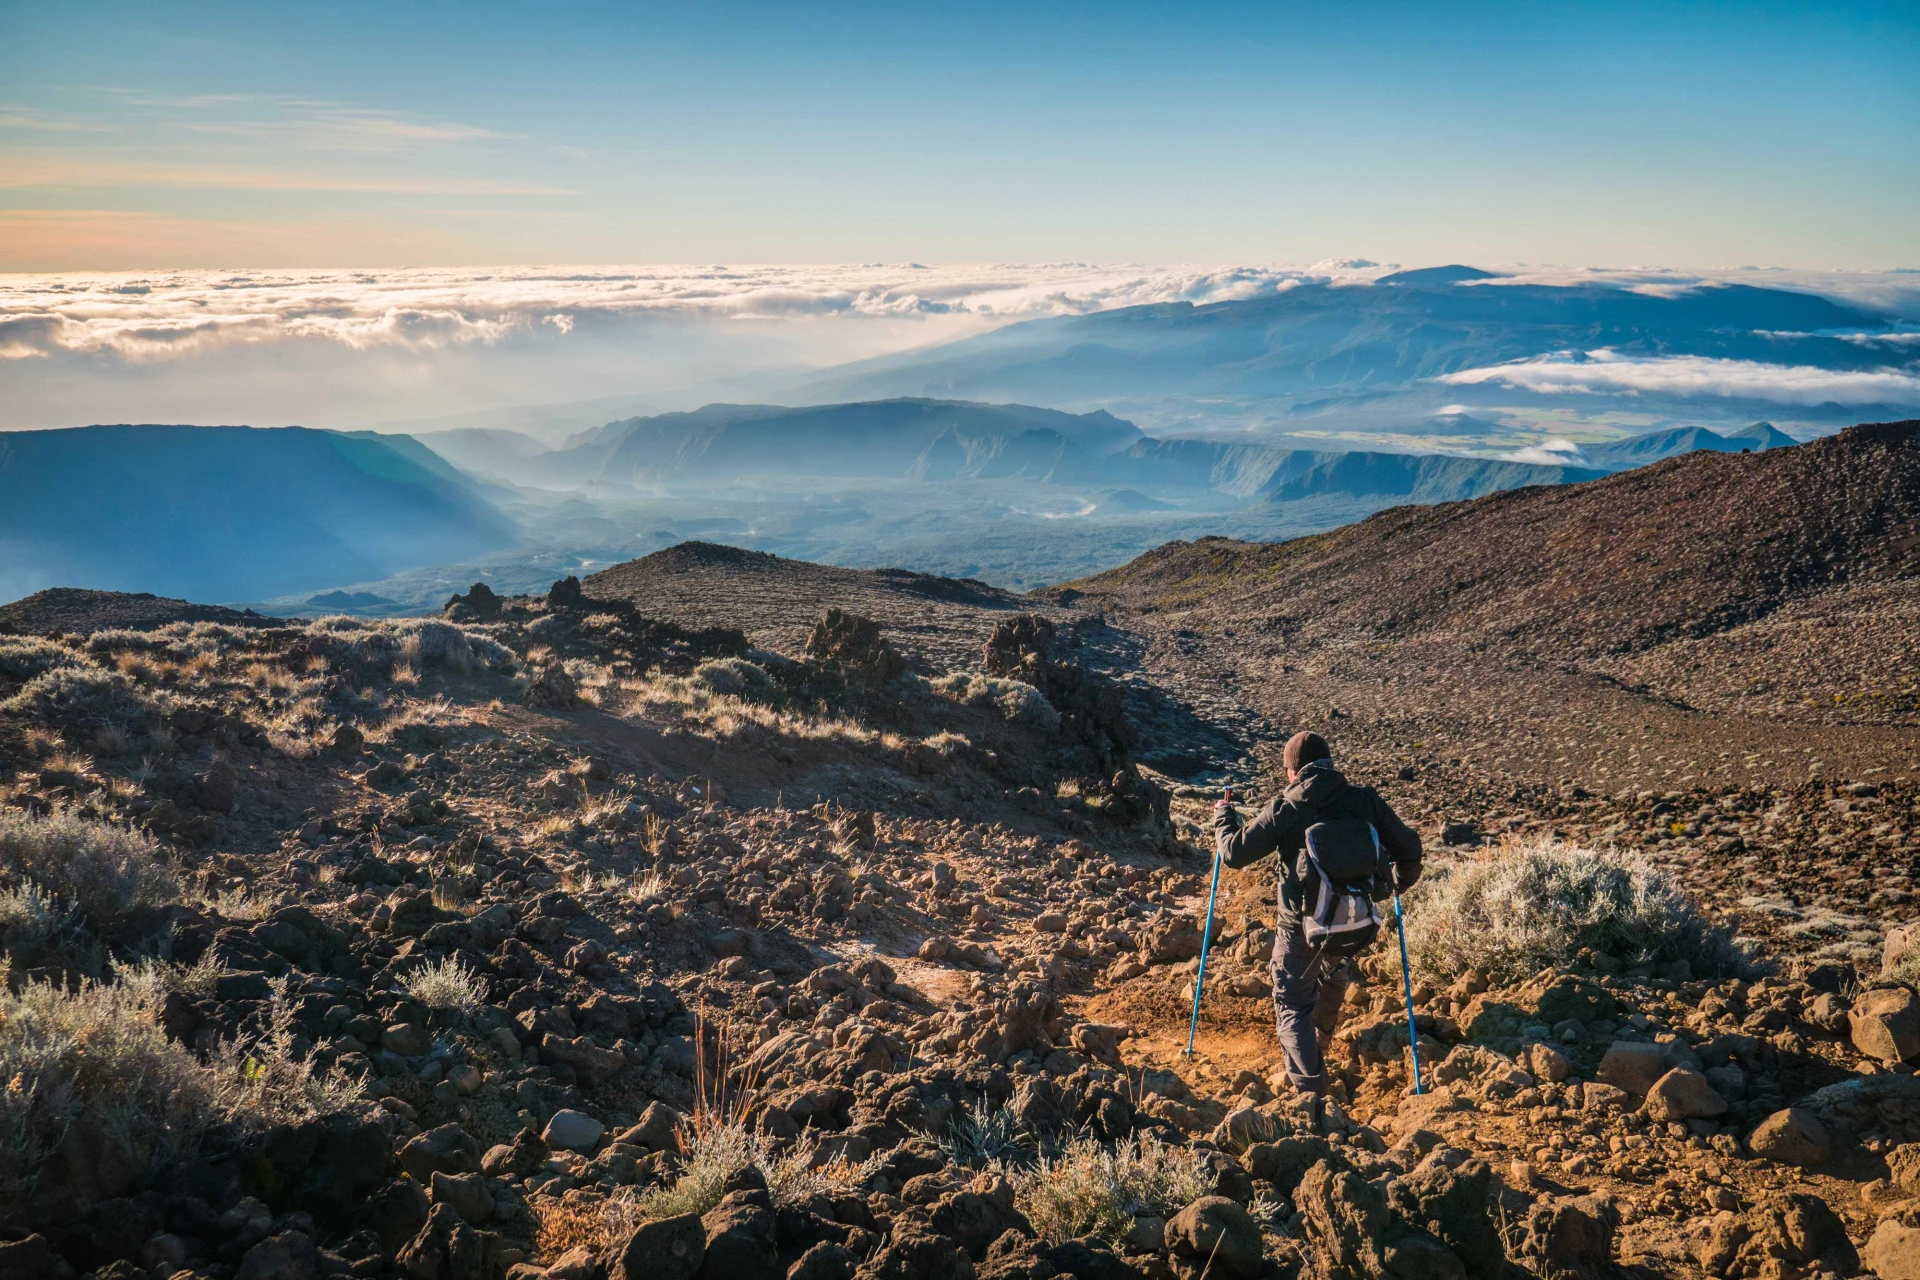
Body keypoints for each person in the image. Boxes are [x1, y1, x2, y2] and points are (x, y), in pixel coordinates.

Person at [1213, 731, 1422, 1101]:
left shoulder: (1284, 809)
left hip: (1299, 926)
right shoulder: (1364, 800)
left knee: (1292, 1004)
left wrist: (1223, 817)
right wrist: (1390, 889)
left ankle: (1313, 1097)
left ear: (1293, 771)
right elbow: (1410, 851)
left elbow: (1232, 854)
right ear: (1329, 764)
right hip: (1352, 920)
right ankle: (1320, 1040)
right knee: (1332, 974)